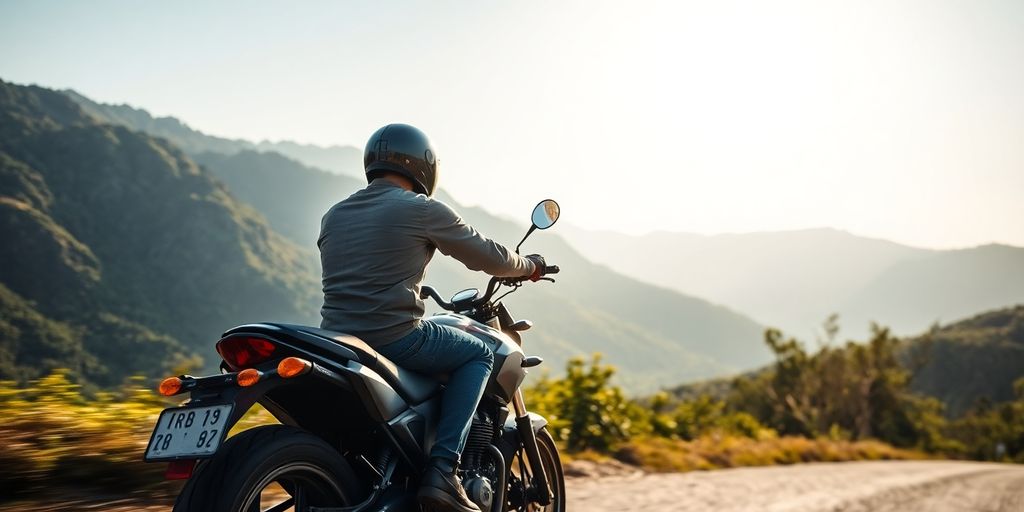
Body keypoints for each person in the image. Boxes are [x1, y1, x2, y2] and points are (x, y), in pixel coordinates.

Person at [318, 123, 544, 512]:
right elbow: (485, 255)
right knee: (478, 355)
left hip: (335, 341)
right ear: (424, 166)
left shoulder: (334, 214)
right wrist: (529, 266)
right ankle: (444, 470)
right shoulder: (420, 209)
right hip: (393, 336)